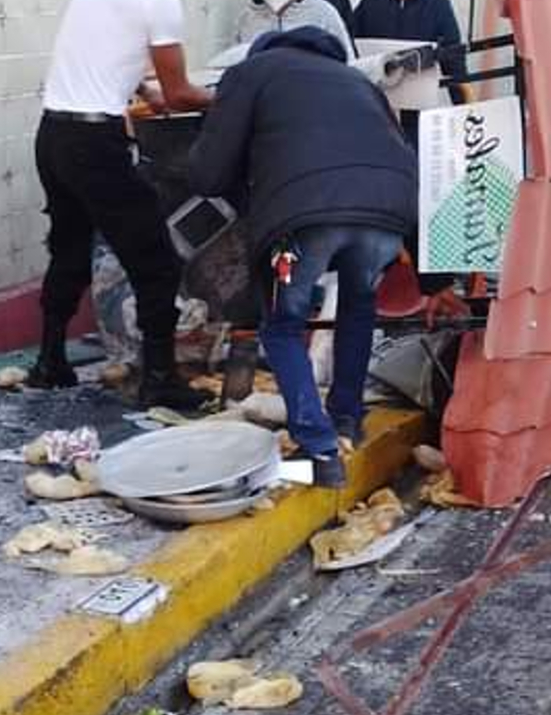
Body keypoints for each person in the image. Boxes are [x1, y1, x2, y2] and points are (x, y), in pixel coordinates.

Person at [189, 28, 464, 487]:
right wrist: (436, 282)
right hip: (385, 220)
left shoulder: (251, 72)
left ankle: (319, 448)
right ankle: (344, 423)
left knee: (282, 322)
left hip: (299, 229)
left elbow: (208, 173)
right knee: (358, 311)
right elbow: (399, 166)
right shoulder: (359, 84)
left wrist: (253, 192)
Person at [29, 0, 214, 409]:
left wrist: (145, 88)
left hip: (53, 134)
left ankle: (50, 361)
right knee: (158, 264)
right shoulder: (162, 6)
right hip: (95, 144)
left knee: (70, 249)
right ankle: (160, 379)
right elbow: (181, 94)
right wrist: (233, 101)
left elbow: (102, 53)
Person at [351, 0, 472, 105]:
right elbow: (351, 53)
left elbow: (455, 65)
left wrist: (466, 109)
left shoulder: (438, 5)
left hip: (418, 110)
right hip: (376, 106)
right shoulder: (368, 4)